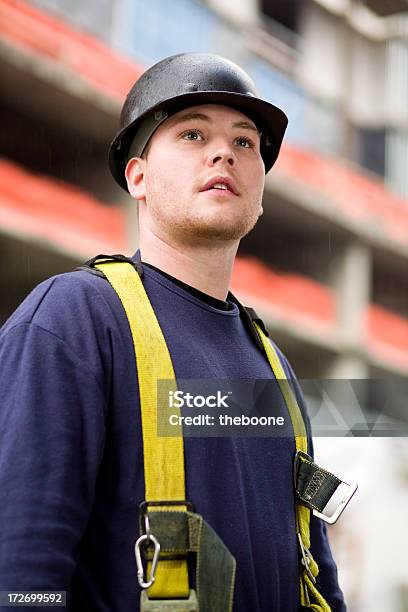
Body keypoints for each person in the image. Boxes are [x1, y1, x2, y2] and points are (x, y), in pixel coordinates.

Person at [0, 53, 347, 611]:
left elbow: (314, 569)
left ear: (259, 195)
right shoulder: (77, 320)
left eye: (245, 143)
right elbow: (20, 568)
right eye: (191, 134)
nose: (223, 153)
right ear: (137, 177)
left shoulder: (271, 364)